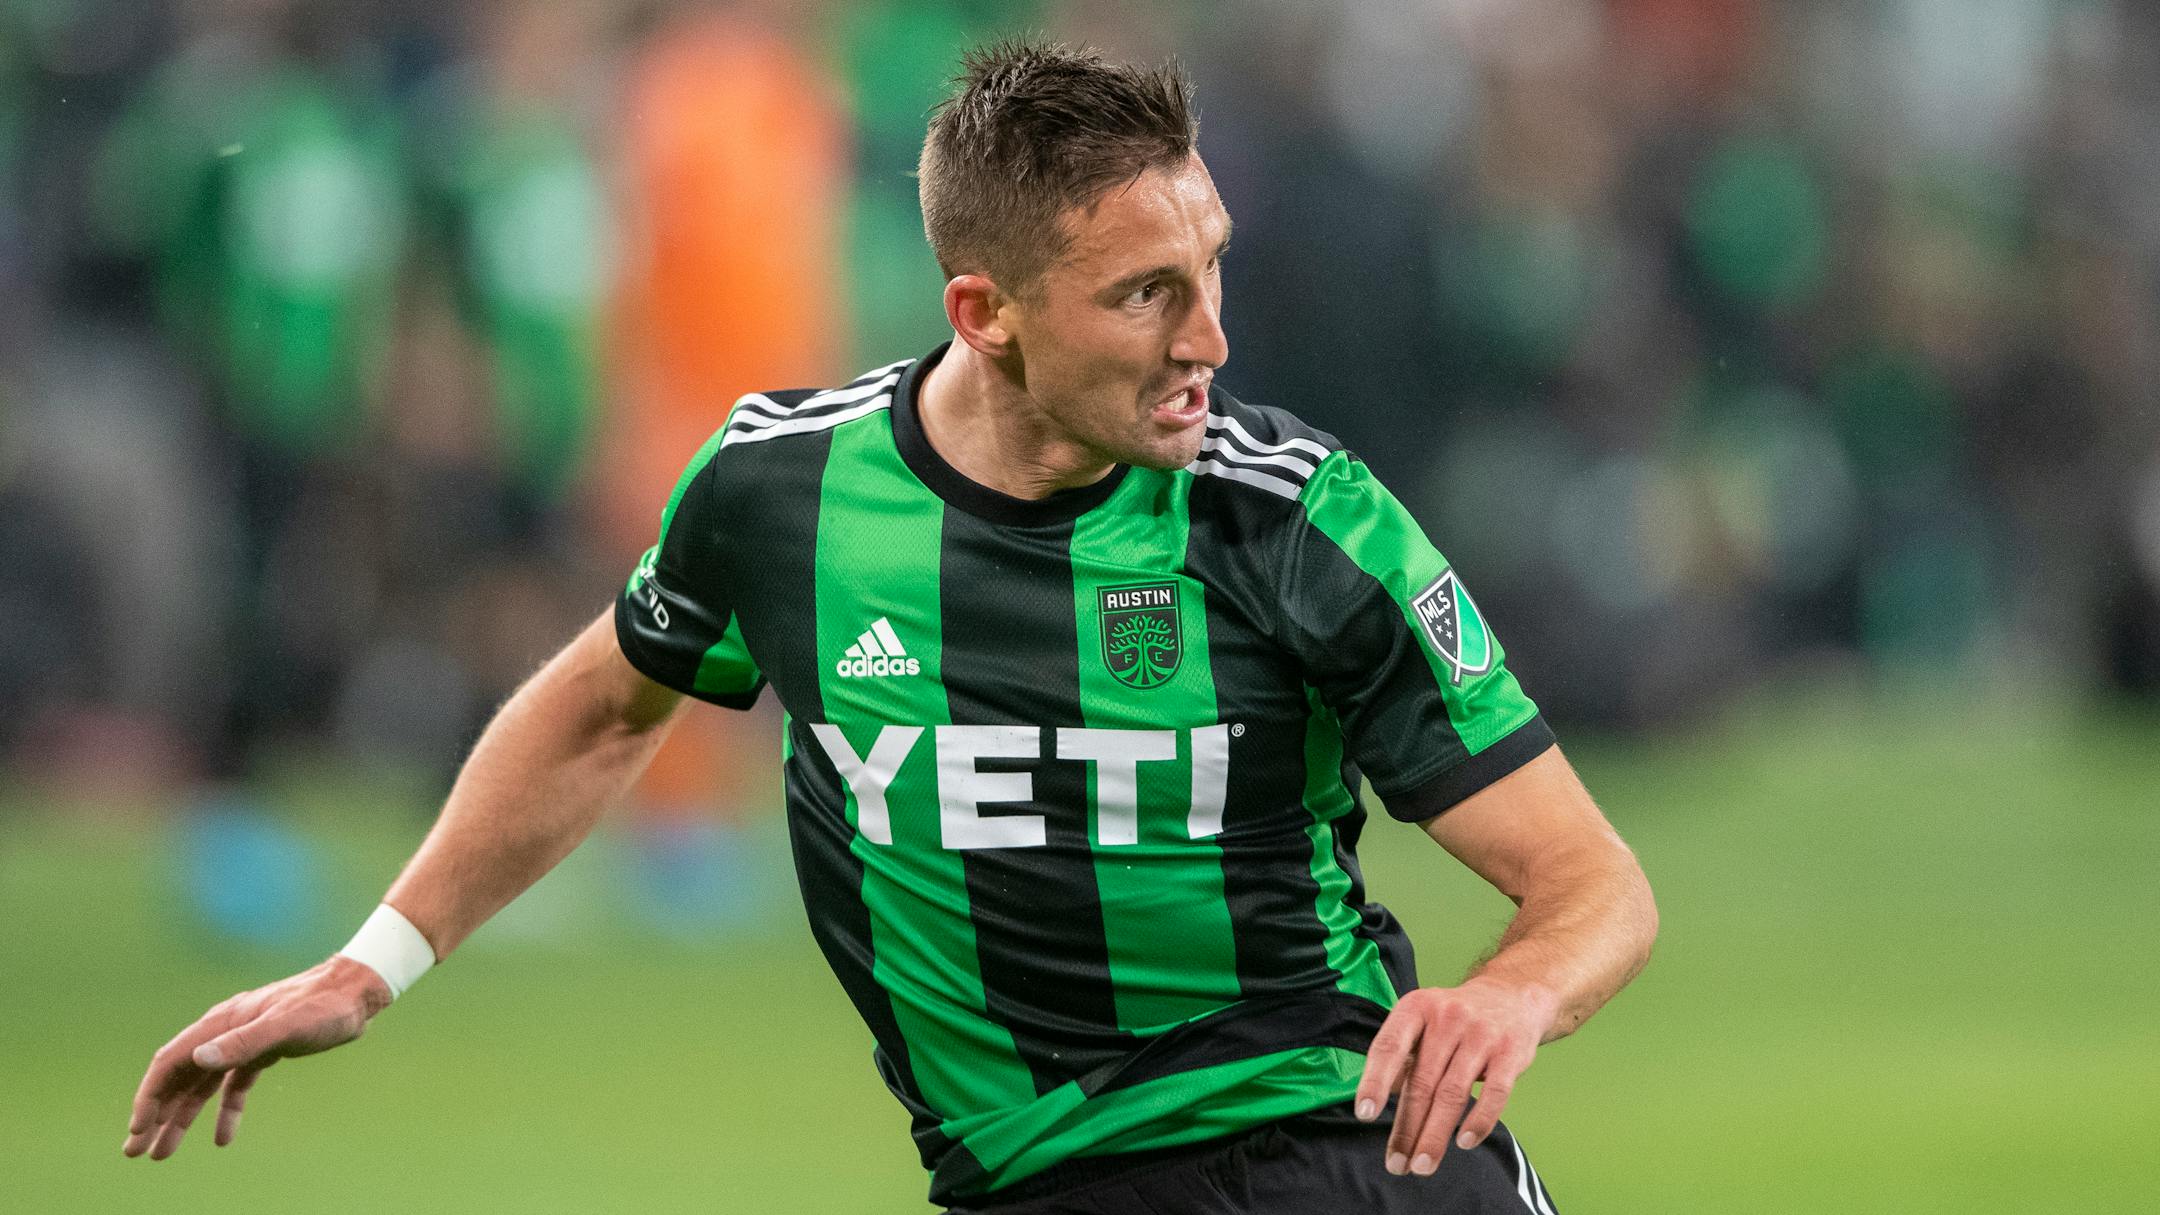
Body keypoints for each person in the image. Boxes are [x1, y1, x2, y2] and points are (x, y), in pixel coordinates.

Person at [124, 41, 1657, 1213]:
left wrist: (1510, 991)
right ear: (984, 313)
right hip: (1027, 1186)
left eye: (1210, 272)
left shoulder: (1297, 519)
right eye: (1144, 295)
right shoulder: (782, 495)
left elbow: (1591, 887)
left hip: (1343, 1154)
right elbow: (605, 706)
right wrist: (373, 962)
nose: (1210, 340)